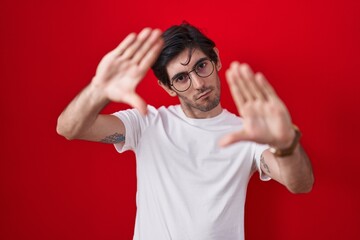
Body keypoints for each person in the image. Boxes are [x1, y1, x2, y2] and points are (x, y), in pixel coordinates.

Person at [57, 23, 314, 240]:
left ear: (216, 58)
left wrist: (286, 144)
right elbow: (69, 128)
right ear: (168, 88)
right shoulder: (147, 124)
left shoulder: (248, 133)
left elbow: (300, 184)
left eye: (202, 66)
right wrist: (98, 90)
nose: (199, 83)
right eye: (181, 78)